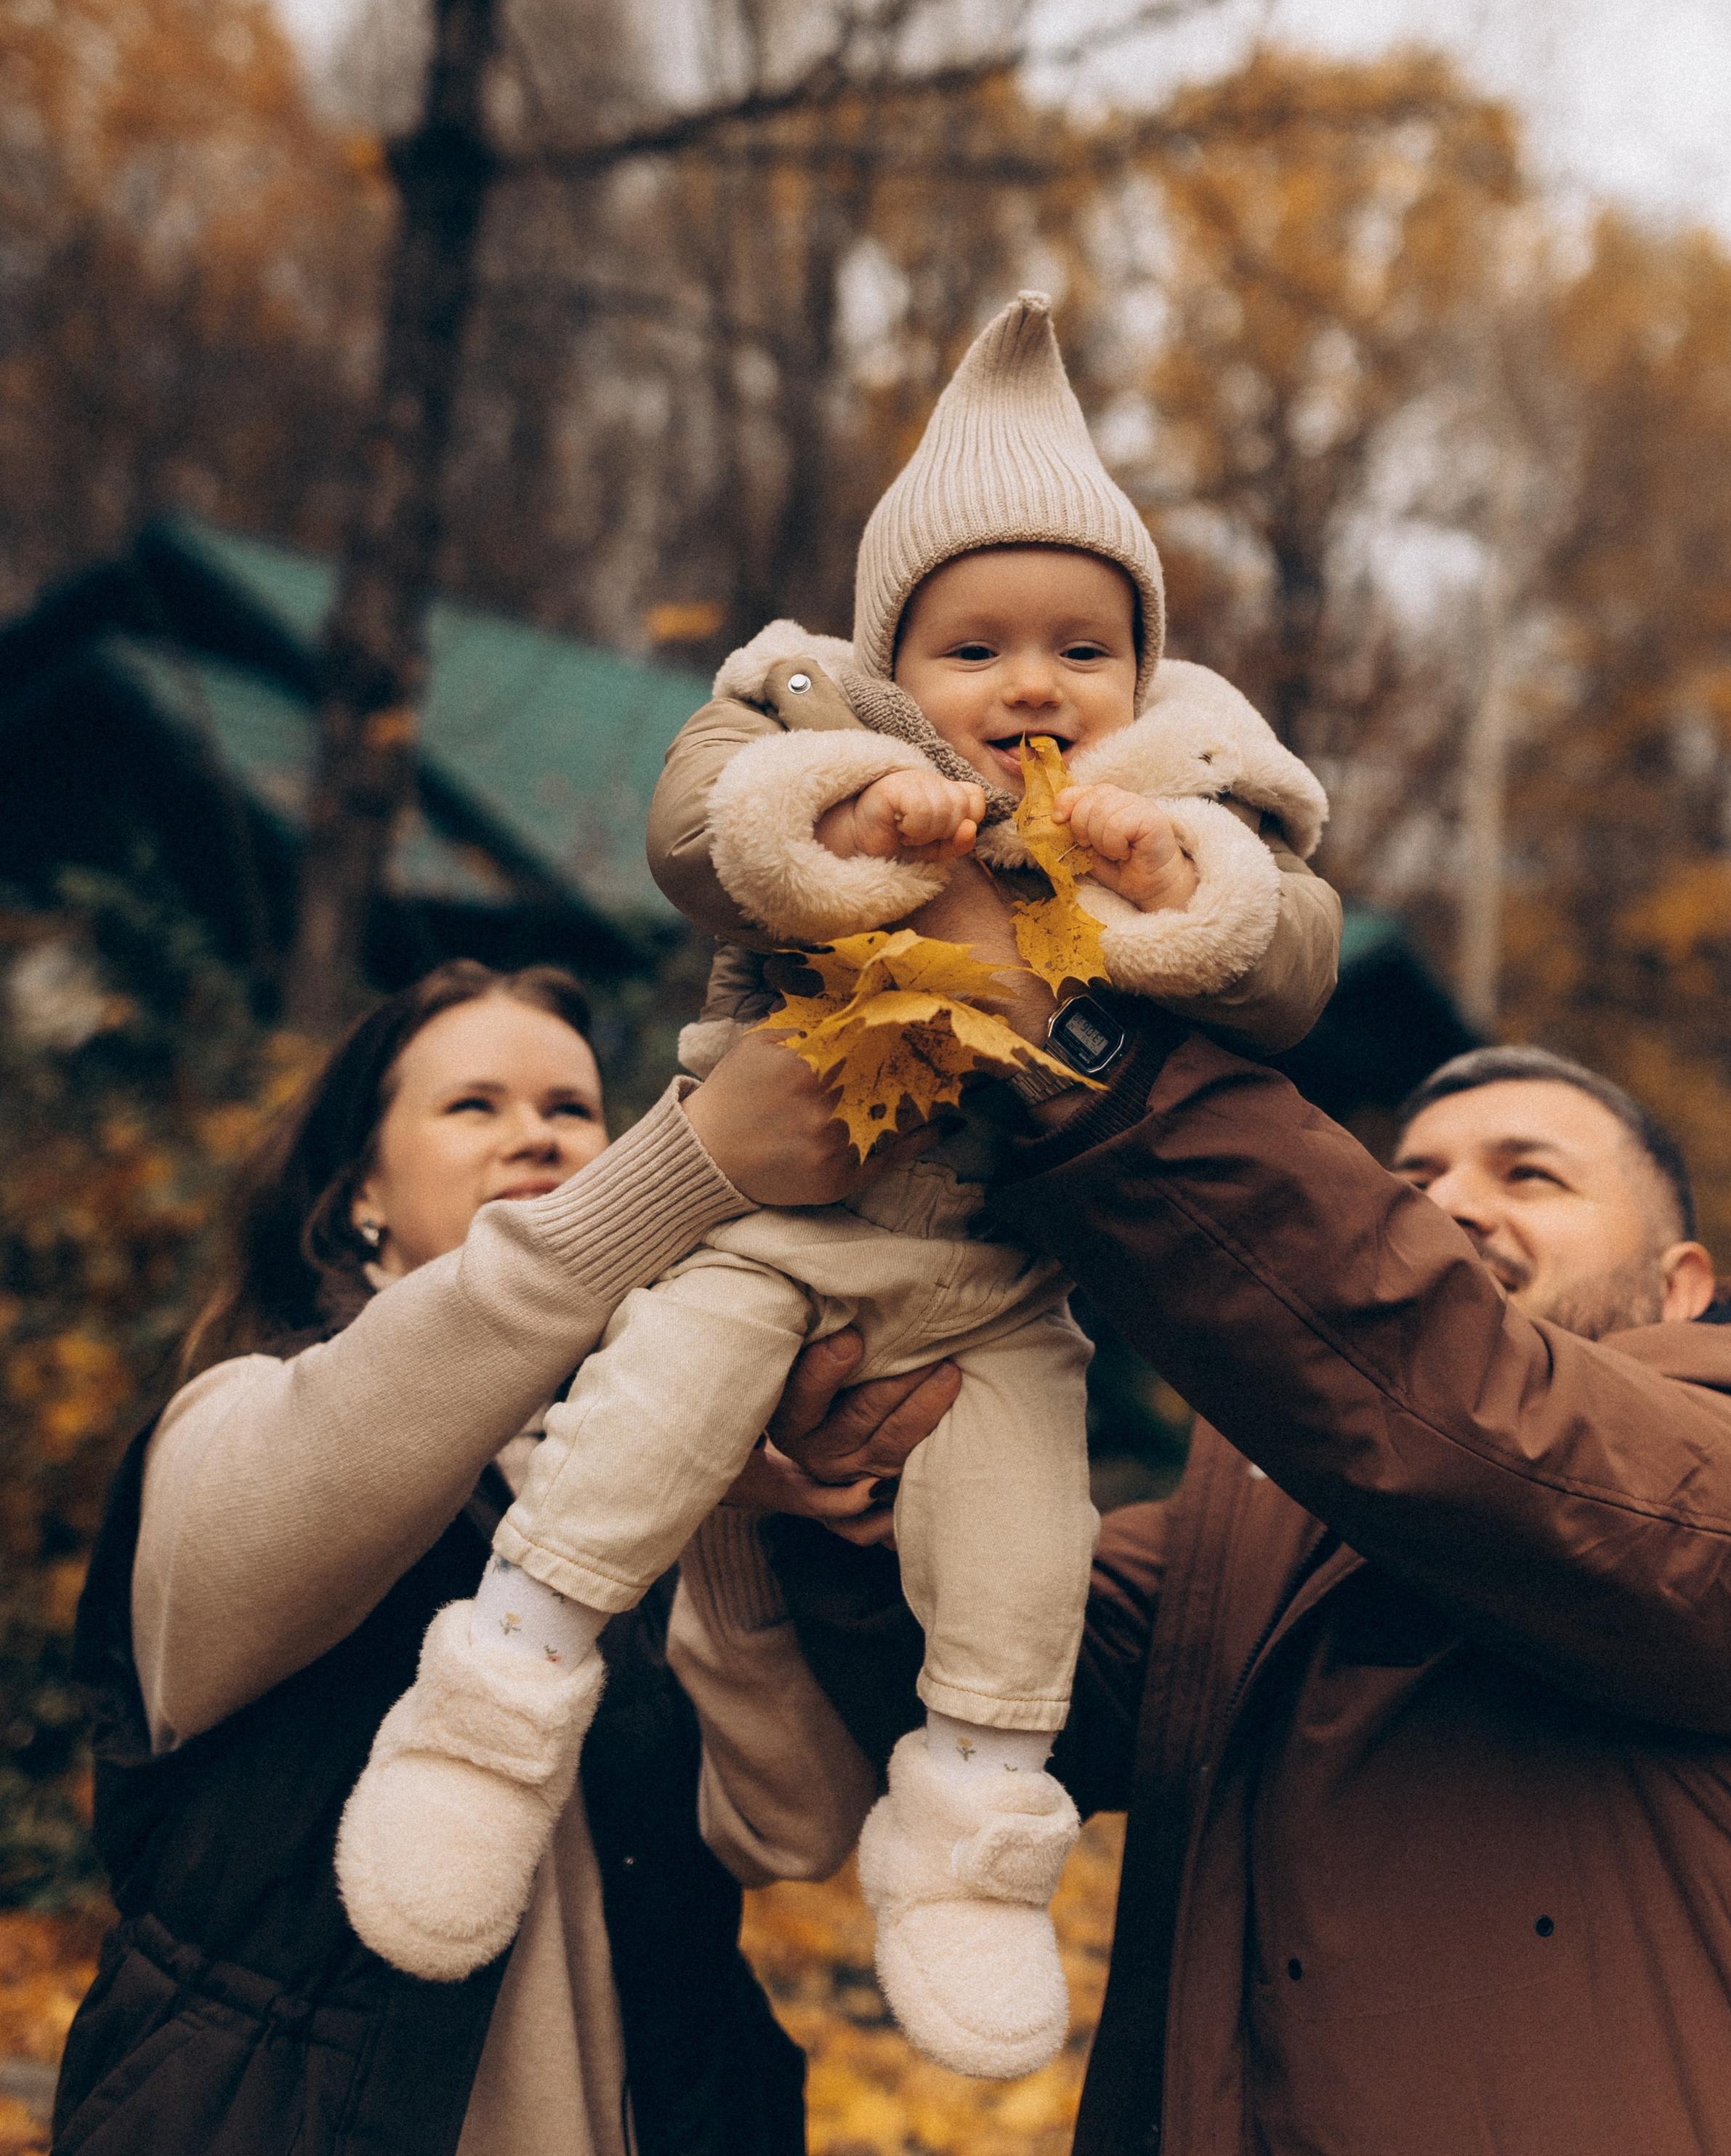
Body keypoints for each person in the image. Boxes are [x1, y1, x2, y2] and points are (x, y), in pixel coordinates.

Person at [338, 291, 1340, 2082]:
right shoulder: (810, 710)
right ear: (896, 658)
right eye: (975, 648)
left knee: (1024, 1546)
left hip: (1001, 1284)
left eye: (1077, 647)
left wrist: (1173, 873)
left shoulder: (1182, 774)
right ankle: (493, 1698)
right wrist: (848, 813)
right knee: (644, 1422)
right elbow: (695, 820)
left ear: (1141, 667)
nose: (1031, 687)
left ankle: (970, 1821)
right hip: (777, 1232)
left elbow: (1288, 959)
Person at [751, 918, 1731, 2156]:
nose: (1449, 1210)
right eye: (1413, 1180)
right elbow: (997, 1675)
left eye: (1528, 1175)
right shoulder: (1252, 1527)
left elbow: (1478, 1414)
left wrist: (1090, 1056)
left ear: (1684, 1285)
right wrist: (856, 1485)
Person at [52, 956, 924, 2156]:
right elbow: (328, 1477)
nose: (536, 1136)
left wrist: (721, 1511)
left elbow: (791, 1831)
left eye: (571, 1110)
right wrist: (678, 1172)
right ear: (362, 1185)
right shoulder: (240, 1411)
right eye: (476, 1106)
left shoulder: (644, 1463)